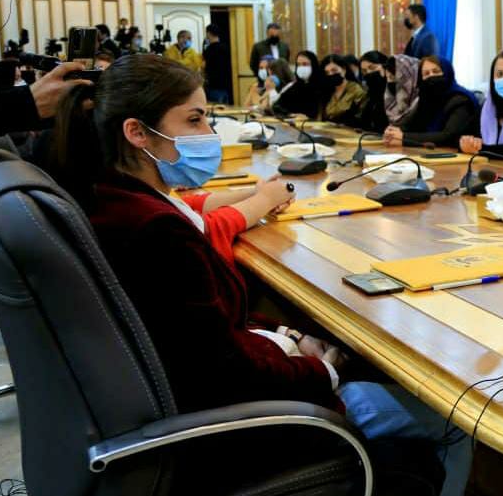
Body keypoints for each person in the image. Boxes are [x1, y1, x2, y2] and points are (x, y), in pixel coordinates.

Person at [47, 53, 457, 493]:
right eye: (195, 120)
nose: (209, 133)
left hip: (206, 397)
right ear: (136, 132)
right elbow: (223, 372)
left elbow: (206, 325)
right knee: (449, 420)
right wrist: (326, 370)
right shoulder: (155, 230)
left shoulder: (118, 200)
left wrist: (291, 334)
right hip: (238, 427)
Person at [385, 56, 479, 149]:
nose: (431, 76)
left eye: (436, 71)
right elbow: (411, 124)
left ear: (447, 72)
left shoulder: (461, 99)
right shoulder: (426, 99)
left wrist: (404, 138)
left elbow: (449, 136)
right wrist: (392, 132)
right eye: (426, 74)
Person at [320, 54, 368, 125]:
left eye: (334, 70)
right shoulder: (327, 91)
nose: (330, 74)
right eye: (327, 72)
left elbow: (360, 119)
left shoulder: (356, 90)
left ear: (344, 69)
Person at [273, 50, 321, 119]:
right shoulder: (295, 87)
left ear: (313, 65)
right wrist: (290, 114)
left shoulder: (320, 87)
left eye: (305, 64)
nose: (301, 67)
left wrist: (308, 117)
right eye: (298, 65)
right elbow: (276, 106)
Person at [358, 50, 393, 132]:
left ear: (385, 67)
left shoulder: (392, 91)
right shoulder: (370, 94)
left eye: (372, 68)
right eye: (364, 71)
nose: (368, 73)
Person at [383, 53, 421, 127]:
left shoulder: (422, 103)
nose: (390, 82)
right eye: (389, 78)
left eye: (395, 79)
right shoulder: (389, 100)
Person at [202, 25, 232, 104]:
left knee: (216, 111)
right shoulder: (226, 47)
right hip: (226, 84)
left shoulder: (208, 50)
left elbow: (203, 66)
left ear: (208, 34)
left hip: (213, 85)